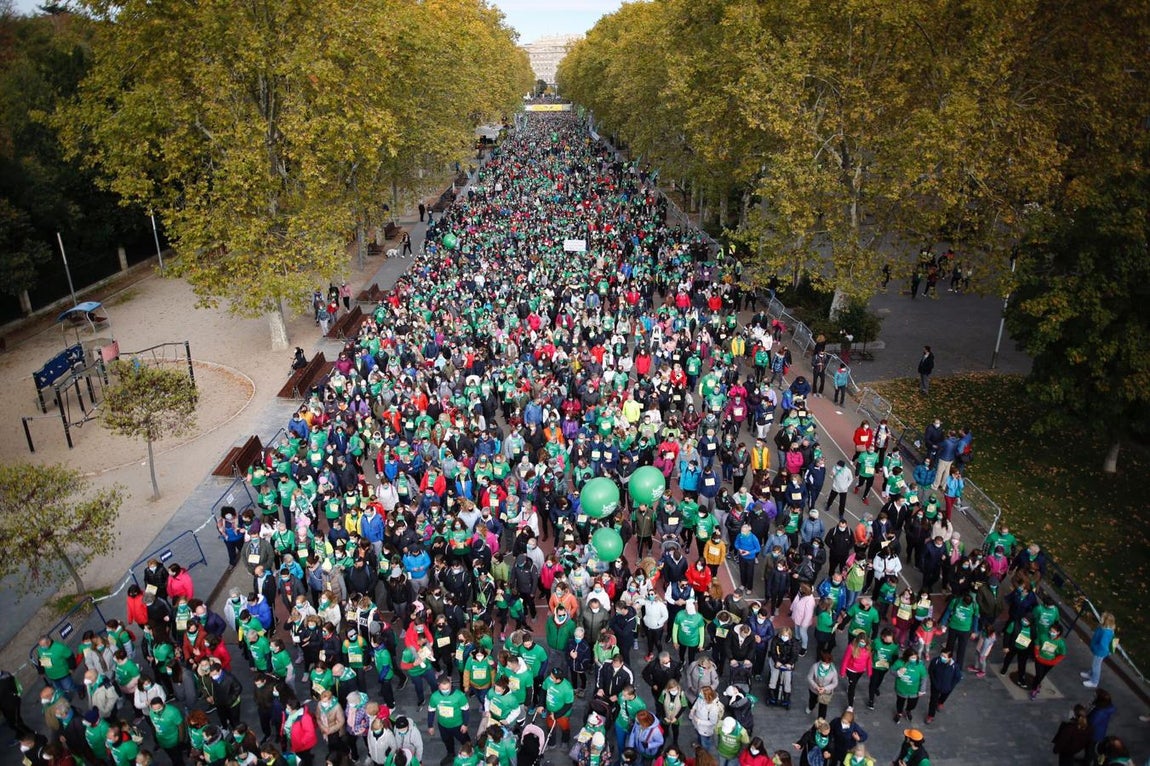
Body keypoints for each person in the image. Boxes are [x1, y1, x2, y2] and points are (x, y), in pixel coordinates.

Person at [1083, 612, 1118, 688]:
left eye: (1102, 618)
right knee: (1095, 664)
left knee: (1096, 666)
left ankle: (1094, 682)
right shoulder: (1107, 628)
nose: (1100, 618)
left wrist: (1096, 647)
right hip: (1100, 651)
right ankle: (1090, 674)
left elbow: (1103, 645)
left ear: (1106, 621)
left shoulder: (1106, 632)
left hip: (1100, 652)